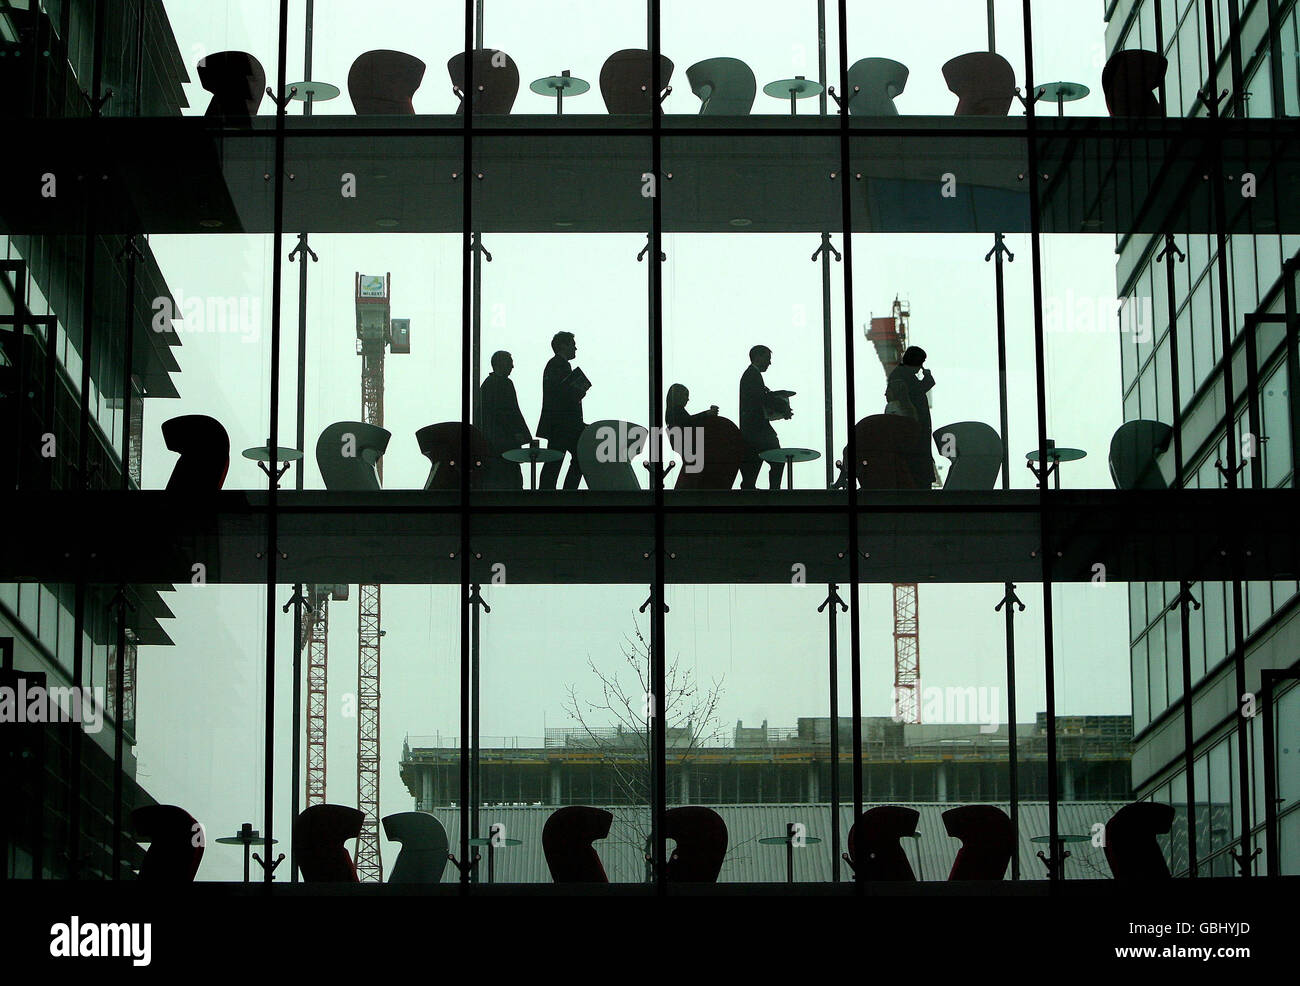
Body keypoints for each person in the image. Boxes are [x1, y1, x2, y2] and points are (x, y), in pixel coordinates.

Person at [536, 331, 588, 490]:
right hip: (566, 423)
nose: (576, 348)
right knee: (580, 456)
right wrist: (579, 392)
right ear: (563, 346)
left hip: (559, 423)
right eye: (572, 345)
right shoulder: (560, 365)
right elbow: (564, 394)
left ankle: (547, 493)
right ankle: (567, 491)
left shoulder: (554, 365)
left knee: (554, 459)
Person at [738, 345, 792, 490]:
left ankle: (752, 497)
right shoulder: (753, 376)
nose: (769, 362)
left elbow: (759, 399)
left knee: (751, 471)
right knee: (778, 460)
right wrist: (782, 406)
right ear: (758, 357)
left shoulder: (750, 375)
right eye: (767, 358)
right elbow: (761, 399)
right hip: (758, 431)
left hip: (751, 431)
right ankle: (774, 493)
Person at [478, 350, 531, 489]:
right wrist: (519, 433)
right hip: (503, 443)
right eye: (509, 362)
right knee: (511, 478)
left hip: (495, 444)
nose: (512, 366)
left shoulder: (488, 385)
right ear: (501, 364)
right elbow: (510, 413)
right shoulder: (502, 384)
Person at [885, 345, 937, 487]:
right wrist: (927, 382)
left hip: (914, 433)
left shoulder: (901, 375)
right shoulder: (902, 376)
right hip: (913, 434)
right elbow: (909, 397)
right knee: (917, 472)